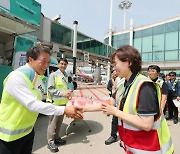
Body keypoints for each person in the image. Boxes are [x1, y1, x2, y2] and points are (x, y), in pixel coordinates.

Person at [0, 46, 83, 154]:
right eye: (43, 61)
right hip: (10, 136)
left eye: (48, 62)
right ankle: (51, 141)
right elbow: (33, 104)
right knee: (52, 125)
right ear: (30, 59)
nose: (47, 65)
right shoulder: (17, 77)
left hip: (28, 131)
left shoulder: (39, 78)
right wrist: (64, 109)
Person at [101, 45, 174, 153]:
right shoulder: (124, 85)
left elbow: (146, 124)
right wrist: (80, 106)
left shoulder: (144, 86)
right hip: (135, 146)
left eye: (116, 63)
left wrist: (115, 111)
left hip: (151, 149)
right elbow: (110, 101)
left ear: (129, 62)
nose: (114, 68)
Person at [46, 58, 74, 153]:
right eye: (61, 64)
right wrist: (62, 94)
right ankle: (50, 142)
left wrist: (70, 92)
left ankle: (57, 137)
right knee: (52, 123)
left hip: (63, 103)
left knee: (59, 123)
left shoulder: (66, 75)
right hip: (54, 103)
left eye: (65, 64)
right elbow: (50, 89)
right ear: (58, 64)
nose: (63, 66)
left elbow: (68, 88)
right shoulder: (53, 75)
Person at [105, 70, 125, 145]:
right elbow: (115, 89)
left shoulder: (128, 78)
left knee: (124, 122)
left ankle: (123, 139)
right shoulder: (117, 79)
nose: (116, 72)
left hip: (125, 104)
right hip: (117, 103)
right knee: (114, 121)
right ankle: (113, 136)